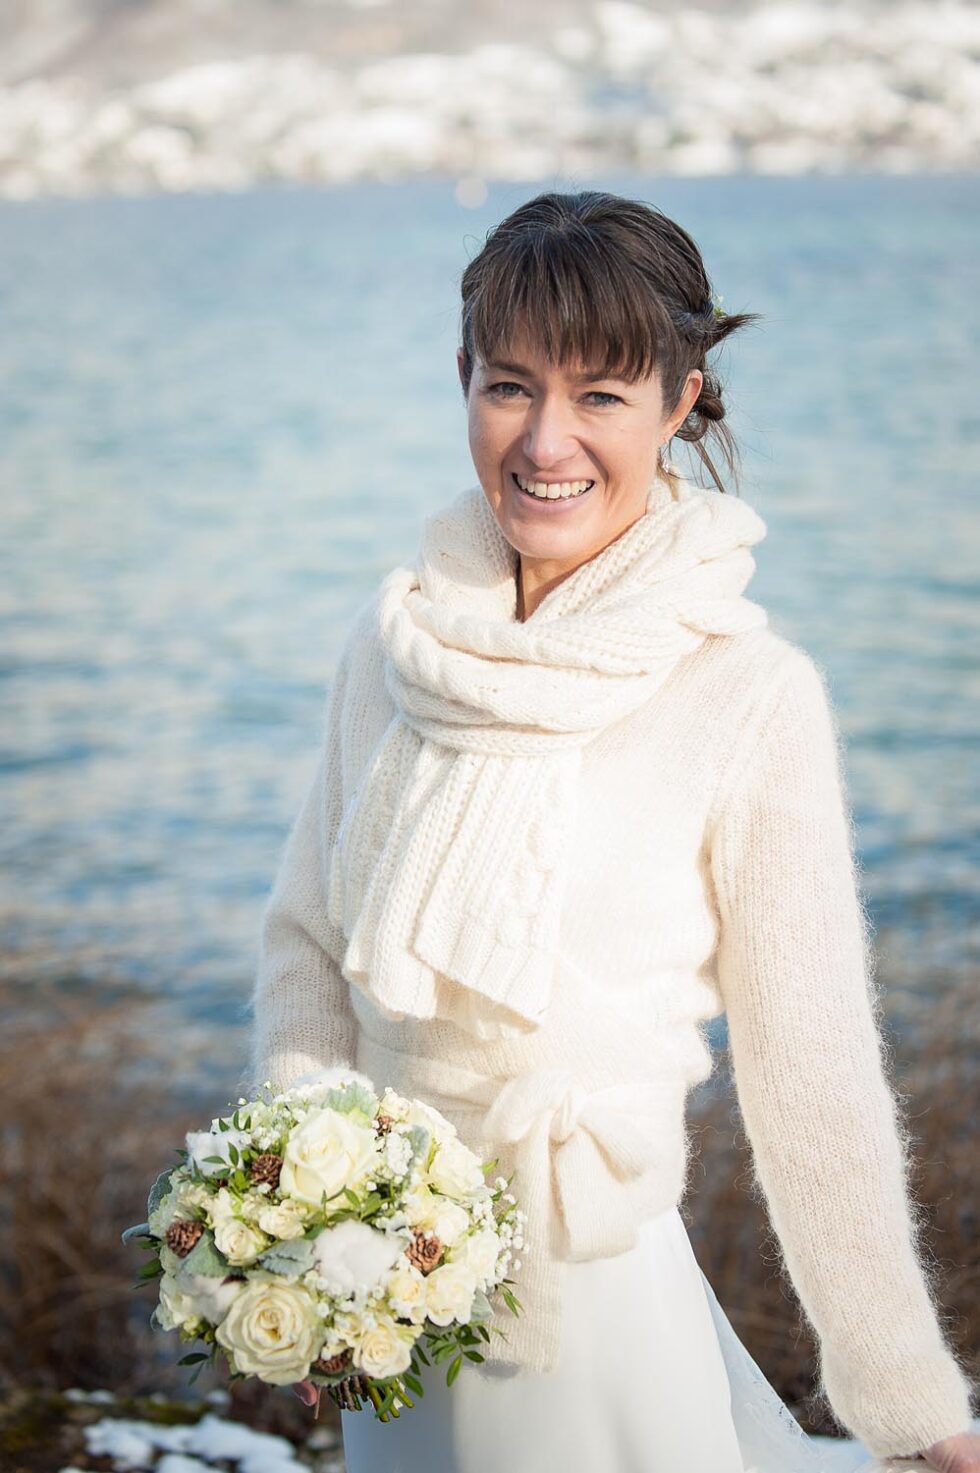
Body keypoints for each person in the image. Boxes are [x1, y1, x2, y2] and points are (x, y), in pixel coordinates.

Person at [247, 191, 978, 1472]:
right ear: (459, 380)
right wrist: (307, 1224)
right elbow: (308, 943)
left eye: (599, 396)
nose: (543, 443)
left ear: (679, 401)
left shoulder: (747, 696)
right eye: (507, 387)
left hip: (592, 1293)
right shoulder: (396, 646)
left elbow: (809, 1072)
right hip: (393, 1300)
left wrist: (906, 1399)